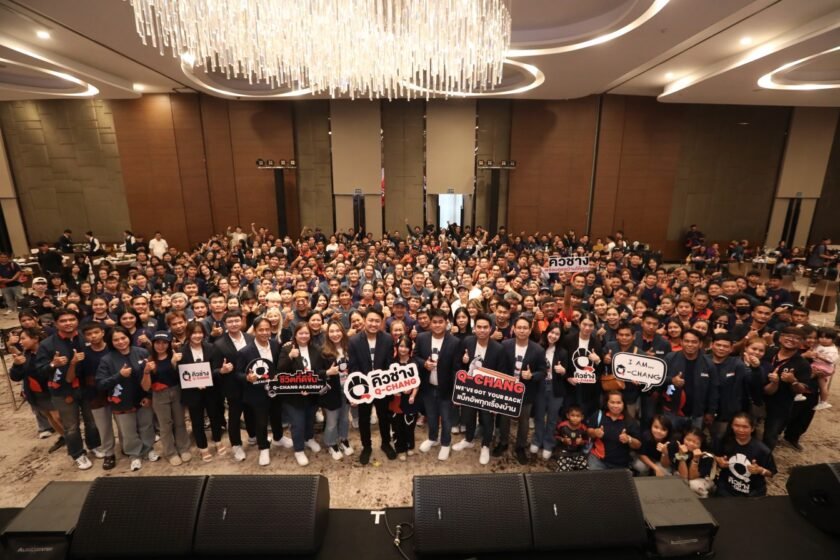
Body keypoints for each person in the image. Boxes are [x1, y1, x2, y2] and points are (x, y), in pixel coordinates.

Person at [34, 308, 99, 470]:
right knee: (71, 426)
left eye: (72, 319)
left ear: (77, 321)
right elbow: (39, 370)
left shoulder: (86, 338)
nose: (68, 323)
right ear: (56, 324)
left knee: (92, 421)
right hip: (62, 391)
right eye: (63, 321)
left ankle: (94, 445)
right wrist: (53, 364)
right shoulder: (47, 344)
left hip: (87, 387)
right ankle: (77, 454)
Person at [95, 326, 157, 471]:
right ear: (111, 342)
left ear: (129, 337)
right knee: (128, 431)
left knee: (147, 426)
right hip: (122, 401)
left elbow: (152, 376)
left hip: (142, 397)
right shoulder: (107, 359)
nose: (121, 342)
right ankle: (134, 454)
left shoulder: (142, 352)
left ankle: (148, 449)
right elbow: (101, 384)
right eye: (116, 340)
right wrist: (119, 376)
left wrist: (149, 395)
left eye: (123, 338)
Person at [452, 313, 507, 464]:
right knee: (468, 416)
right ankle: (468, 439)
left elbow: (502, 374)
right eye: (479, 327)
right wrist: (464, 362)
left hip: (488, 391)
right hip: (470, 389)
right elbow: (458, 365)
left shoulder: (499, 348)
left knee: (487, 419)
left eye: (485, 327)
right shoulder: (467, 342)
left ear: (491, 329)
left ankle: (485, 445)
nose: (482, 330)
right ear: (474, 328)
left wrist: (497, 399)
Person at [348, 308, 395, 465]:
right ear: (364, 320)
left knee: (384, 416)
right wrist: (358, 390)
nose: (373, 324)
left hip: (382, 386)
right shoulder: (354, 341)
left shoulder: (387, 339)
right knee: (364, 418)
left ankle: (385, 443)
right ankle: (366, 447)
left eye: (377, 321)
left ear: (381, 322)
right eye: (370, 320)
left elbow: (389, 364)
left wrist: (386, 384)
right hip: (363, 387)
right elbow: (353, 367)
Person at [237, 317, 286, 466]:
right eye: (261, 330)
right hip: (257, 392)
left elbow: (280, 365)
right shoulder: (245, 352)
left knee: (277, 415)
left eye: (267, 329)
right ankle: (263, 447)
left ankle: (279, 438)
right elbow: (237, 373)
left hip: (275, 389)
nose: (264, 332)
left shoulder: (276, 345)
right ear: (255, 331)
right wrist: (247, 377)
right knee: (261, 421)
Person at [174, 321, 226, 461]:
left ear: (204, 334)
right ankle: (202, 447)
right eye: (194, 333)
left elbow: (216, 368)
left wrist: (208, 379)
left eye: (200, 332)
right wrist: (194, 383)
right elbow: (180, 375)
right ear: (188, 334)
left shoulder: (211, 348)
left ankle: (218, 441)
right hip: (192, 392)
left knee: (215, 416)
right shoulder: (181, 352)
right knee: (197, 420)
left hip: (211, 390)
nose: (197, 336)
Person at [498, 316, 547, 464]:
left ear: (530, 330)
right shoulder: (505, 345)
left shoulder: (538, 349)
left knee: (524, 421)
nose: (522, 330)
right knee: (504, 418)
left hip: (527, 391)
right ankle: (503, 442)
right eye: (519, 327)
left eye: (525, 328)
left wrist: (532, 375)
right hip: (507, 389)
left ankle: (520, 446)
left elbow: (543, 372)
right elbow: (499, 366)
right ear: (513, 329)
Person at [414, 308, 460, 461]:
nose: (438, 325)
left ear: (447, 323)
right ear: (430, 323)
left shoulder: (454, 342)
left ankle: (445, 443)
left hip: (446, 389)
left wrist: (456, 391)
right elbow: (415, 356)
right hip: (428, 387)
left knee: (446, 419)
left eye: (441, 322)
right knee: (431, 416)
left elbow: (456, 368)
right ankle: (433, 438)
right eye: (434, 322)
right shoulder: (422, 338)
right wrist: (424, 363)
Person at [277, 322, 326, 466]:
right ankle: (298, 449)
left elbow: (319, 371)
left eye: (306, 333)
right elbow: (280, 371)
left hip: (311, 393)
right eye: (301, 333)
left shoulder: (316, 349)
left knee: (310, 419)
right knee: (298, 423)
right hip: (293, 395)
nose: (304, 336)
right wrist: (290, 357)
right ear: (295, 335)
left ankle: (308, 438)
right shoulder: (287, 348)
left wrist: (310, 386)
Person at [10, 327, 65, 449]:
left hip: (51, 390)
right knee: (49, 416)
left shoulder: (49, 352)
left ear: (35, 339)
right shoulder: (25, 355)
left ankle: (72, 439)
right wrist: (16, 365)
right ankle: (64, 437)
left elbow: (48, 372)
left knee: (57, 417)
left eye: (23, 338)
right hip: (35, 393)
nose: (20, 342)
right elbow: (15, 377)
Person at [212, 311, 254, 461]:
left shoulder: (250, 338)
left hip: (250, 383)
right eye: (230, 321)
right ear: (225, 324)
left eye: (237, 320)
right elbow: (213, 370)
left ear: (241, 321)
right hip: (232, 386)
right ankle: (236, 445)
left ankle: (253, 436)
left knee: (251, 413)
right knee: (235, 417)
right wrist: (222, 370)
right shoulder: (218, 344)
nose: (234, 324)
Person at [662, 329, 718, 433]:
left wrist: (711, 412)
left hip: (697, 414)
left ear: (700, 344)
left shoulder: (709, 364)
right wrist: (671, 380)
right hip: (672, 411)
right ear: (681, 342)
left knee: (693, 441)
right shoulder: (670, 358)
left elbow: (713, 390)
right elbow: (658, 379)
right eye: (687, 341)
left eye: (694, 342)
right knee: (670, 439)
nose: (690, 344)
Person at [148, 331, 192, 465]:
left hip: (176, 391)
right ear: (153, 344)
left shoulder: (176, 356)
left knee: (180, 422)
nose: (161, 346)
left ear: (169, 344)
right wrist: (148, 371)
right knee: (165, 425)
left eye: (164, 343)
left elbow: (183, 376)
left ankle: (183, 448)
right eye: (157, 343)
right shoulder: (150, 360)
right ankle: (170, 452)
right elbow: (147, 383)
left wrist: (174, 364)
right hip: (159, 394)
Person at [714, 412, 776, 497]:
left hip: (751, 493)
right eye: (736, 425)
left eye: (745, 427)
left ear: (752, 428)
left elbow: (771, 473)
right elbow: (714, 455)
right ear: (731, 426)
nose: (740, 430)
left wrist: (760, 470)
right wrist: (718, 460)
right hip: (725, 488)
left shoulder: (762, 450)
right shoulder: (724, 441)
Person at [532, 324, 569, 460]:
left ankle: (548, 443)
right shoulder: (537, 348)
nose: (553, 336)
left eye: (557, 334)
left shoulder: (563, 352)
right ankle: (537, 440)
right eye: (551, 332)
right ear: (546, 332)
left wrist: (563, 371)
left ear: (560, 337)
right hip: (540, 387)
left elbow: (567, 373)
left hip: (555, 388)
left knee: (552, 418)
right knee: (539, 416)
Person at [321, 320, 353, 460]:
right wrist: (328, 372)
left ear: (343, 332)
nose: (335, 334)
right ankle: (331, 443)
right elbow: (317, 372)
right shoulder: (323, 351)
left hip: (347, 389)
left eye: (338, 331)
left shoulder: (349, 348)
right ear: (327, 334)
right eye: (332, 331)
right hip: (331, 391)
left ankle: (343, 439)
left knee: (345, 418)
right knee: (332, 421)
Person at [587, 390, 642, 470]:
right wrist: (595, 432)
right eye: (612, 402)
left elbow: (638, 445)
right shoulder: (598, 415)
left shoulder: (630, 421)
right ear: (607, 403)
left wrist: (629, 439)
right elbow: (588, 432)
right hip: (598, 460)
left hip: (621, 464)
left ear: (623, 404)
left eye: (619, 403)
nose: (615, 406)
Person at [390, 335, 420, 461]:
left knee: (409, 425)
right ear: (397, 347)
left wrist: (412, 394)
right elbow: (388, 383)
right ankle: (400, 449)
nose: (403, 349)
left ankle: (410, 445)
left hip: (410, 400)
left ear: (410, 348)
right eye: (401, 346)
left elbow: (417, 382)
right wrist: (394, 391)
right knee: (397, 425)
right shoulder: (392, 363)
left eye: (406, 347)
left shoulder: (414, 363)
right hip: (396, 400)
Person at [674, 427, 715, 498]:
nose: (691, 444)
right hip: (687, 477)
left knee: (693, 484)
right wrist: (681, 455)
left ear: (701, 444)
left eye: (696, 442)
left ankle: (702, 501)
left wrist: (695, 459)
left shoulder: (706, 456)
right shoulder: (680, 448)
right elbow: (684, 476)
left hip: (704, 480)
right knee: (676, 477)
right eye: (688, 440)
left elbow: (692, 477)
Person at [553, 405, 589, 472]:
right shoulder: (562, 426)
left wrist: (581, 442)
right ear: (568, 416)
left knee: (585, 467)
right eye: (572, 415)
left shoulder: (583, 428)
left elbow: (587, 441)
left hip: (577, 453)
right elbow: (555, 436)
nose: (575, 418)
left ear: (582, 417)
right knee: (564, 470)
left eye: (578, 416)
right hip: (563, 453)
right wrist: (563, 440)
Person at [811, 327, 837, 411]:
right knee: (821, 385)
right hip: (818, 365)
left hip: (823, 367)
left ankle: (823, 402)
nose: (824, 339)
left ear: (833, 339)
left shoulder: (832, 350)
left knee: (822, 385)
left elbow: (831, 360)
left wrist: (819, 356)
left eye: (827, 338)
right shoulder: (819, 345)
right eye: (821, 337)